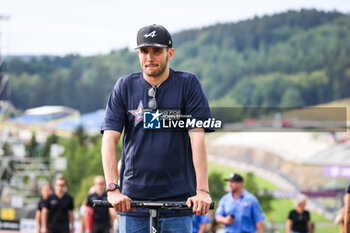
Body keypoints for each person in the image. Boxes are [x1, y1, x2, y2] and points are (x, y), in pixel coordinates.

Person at [101, 24, 214, 233]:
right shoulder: (124, 87)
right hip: (133, 202)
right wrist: (112, 188)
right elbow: (109, 140)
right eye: (144, 51)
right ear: (138, 54)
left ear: (170, 53)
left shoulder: (188, 84)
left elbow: (197, 139)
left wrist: (202, 190)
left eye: (156, 51)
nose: (149, 58)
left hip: (178, 202)